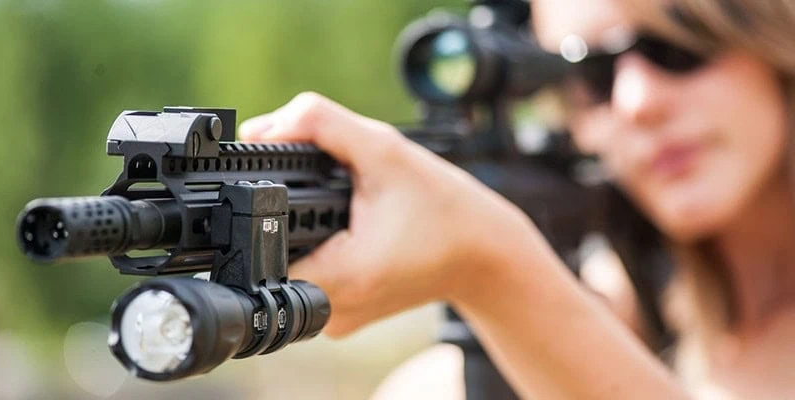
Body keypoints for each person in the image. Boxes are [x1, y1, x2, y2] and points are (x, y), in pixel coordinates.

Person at [239, 0, 795, 397]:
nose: (636, 102)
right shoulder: (634, 296)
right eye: (593, 76)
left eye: (674, 49)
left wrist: (496, 271)